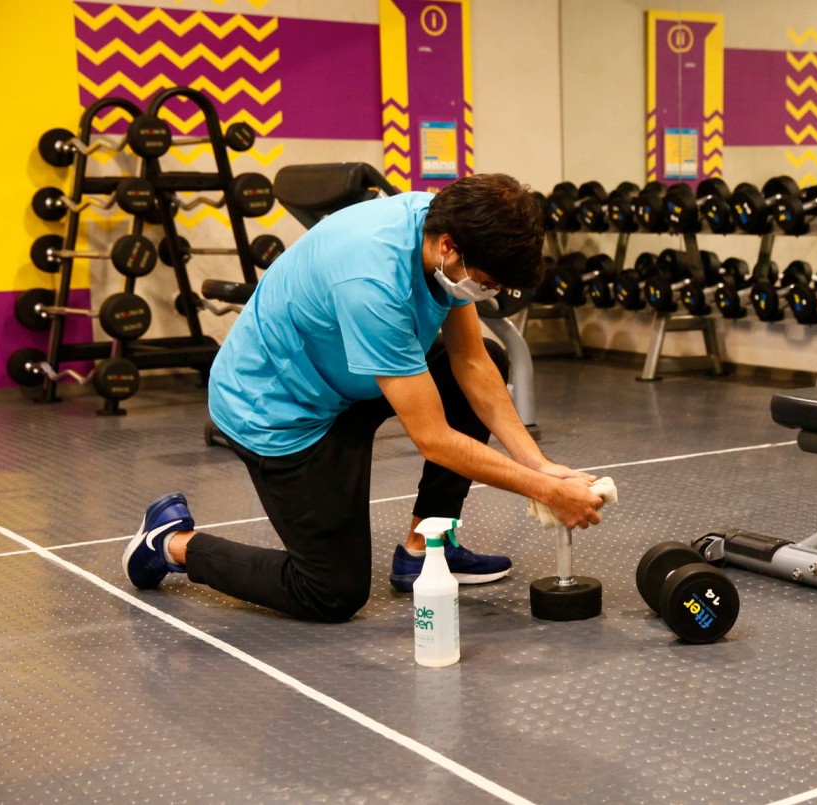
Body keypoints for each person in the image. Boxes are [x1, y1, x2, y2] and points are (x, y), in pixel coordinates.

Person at [121, 173, 605, 623]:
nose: (486, 291)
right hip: (280, 407)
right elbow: (434, 440)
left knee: (489, 363)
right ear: (448, 248)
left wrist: (538, 464)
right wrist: (545, 491)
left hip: (348, 375)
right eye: (486, 281)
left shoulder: (443, 228)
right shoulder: (372, 282)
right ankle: (169, 543)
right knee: (330, 591)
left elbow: (472, 364)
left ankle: (425, 550)